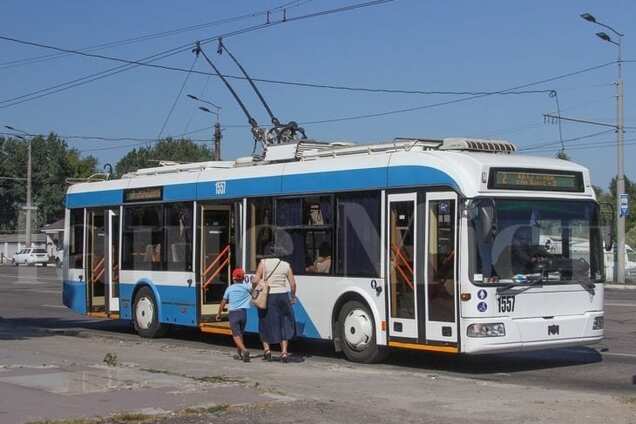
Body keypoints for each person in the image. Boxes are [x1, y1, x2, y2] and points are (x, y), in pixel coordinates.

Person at [253, 244, 297, 363]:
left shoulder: (263, 263)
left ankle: (267, 351)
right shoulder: (286, 265)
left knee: (264, 322)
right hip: (283, 296)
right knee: (284, 323)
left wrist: (256, 286)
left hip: (268, 297)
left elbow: (256, 280)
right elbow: (293, 284)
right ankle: (284, 353)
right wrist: (292, 297)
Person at [216, 268, 252, 362]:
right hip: (243, 314)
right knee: (240, 335)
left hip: (233, 314)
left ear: (233, 278)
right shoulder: (247, 287)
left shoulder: (230, 288)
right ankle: (239, 354)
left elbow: (223, 301)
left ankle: (245, 351)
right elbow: (254, 293)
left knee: (236, 335)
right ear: (243, 278)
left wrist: (219, 313)